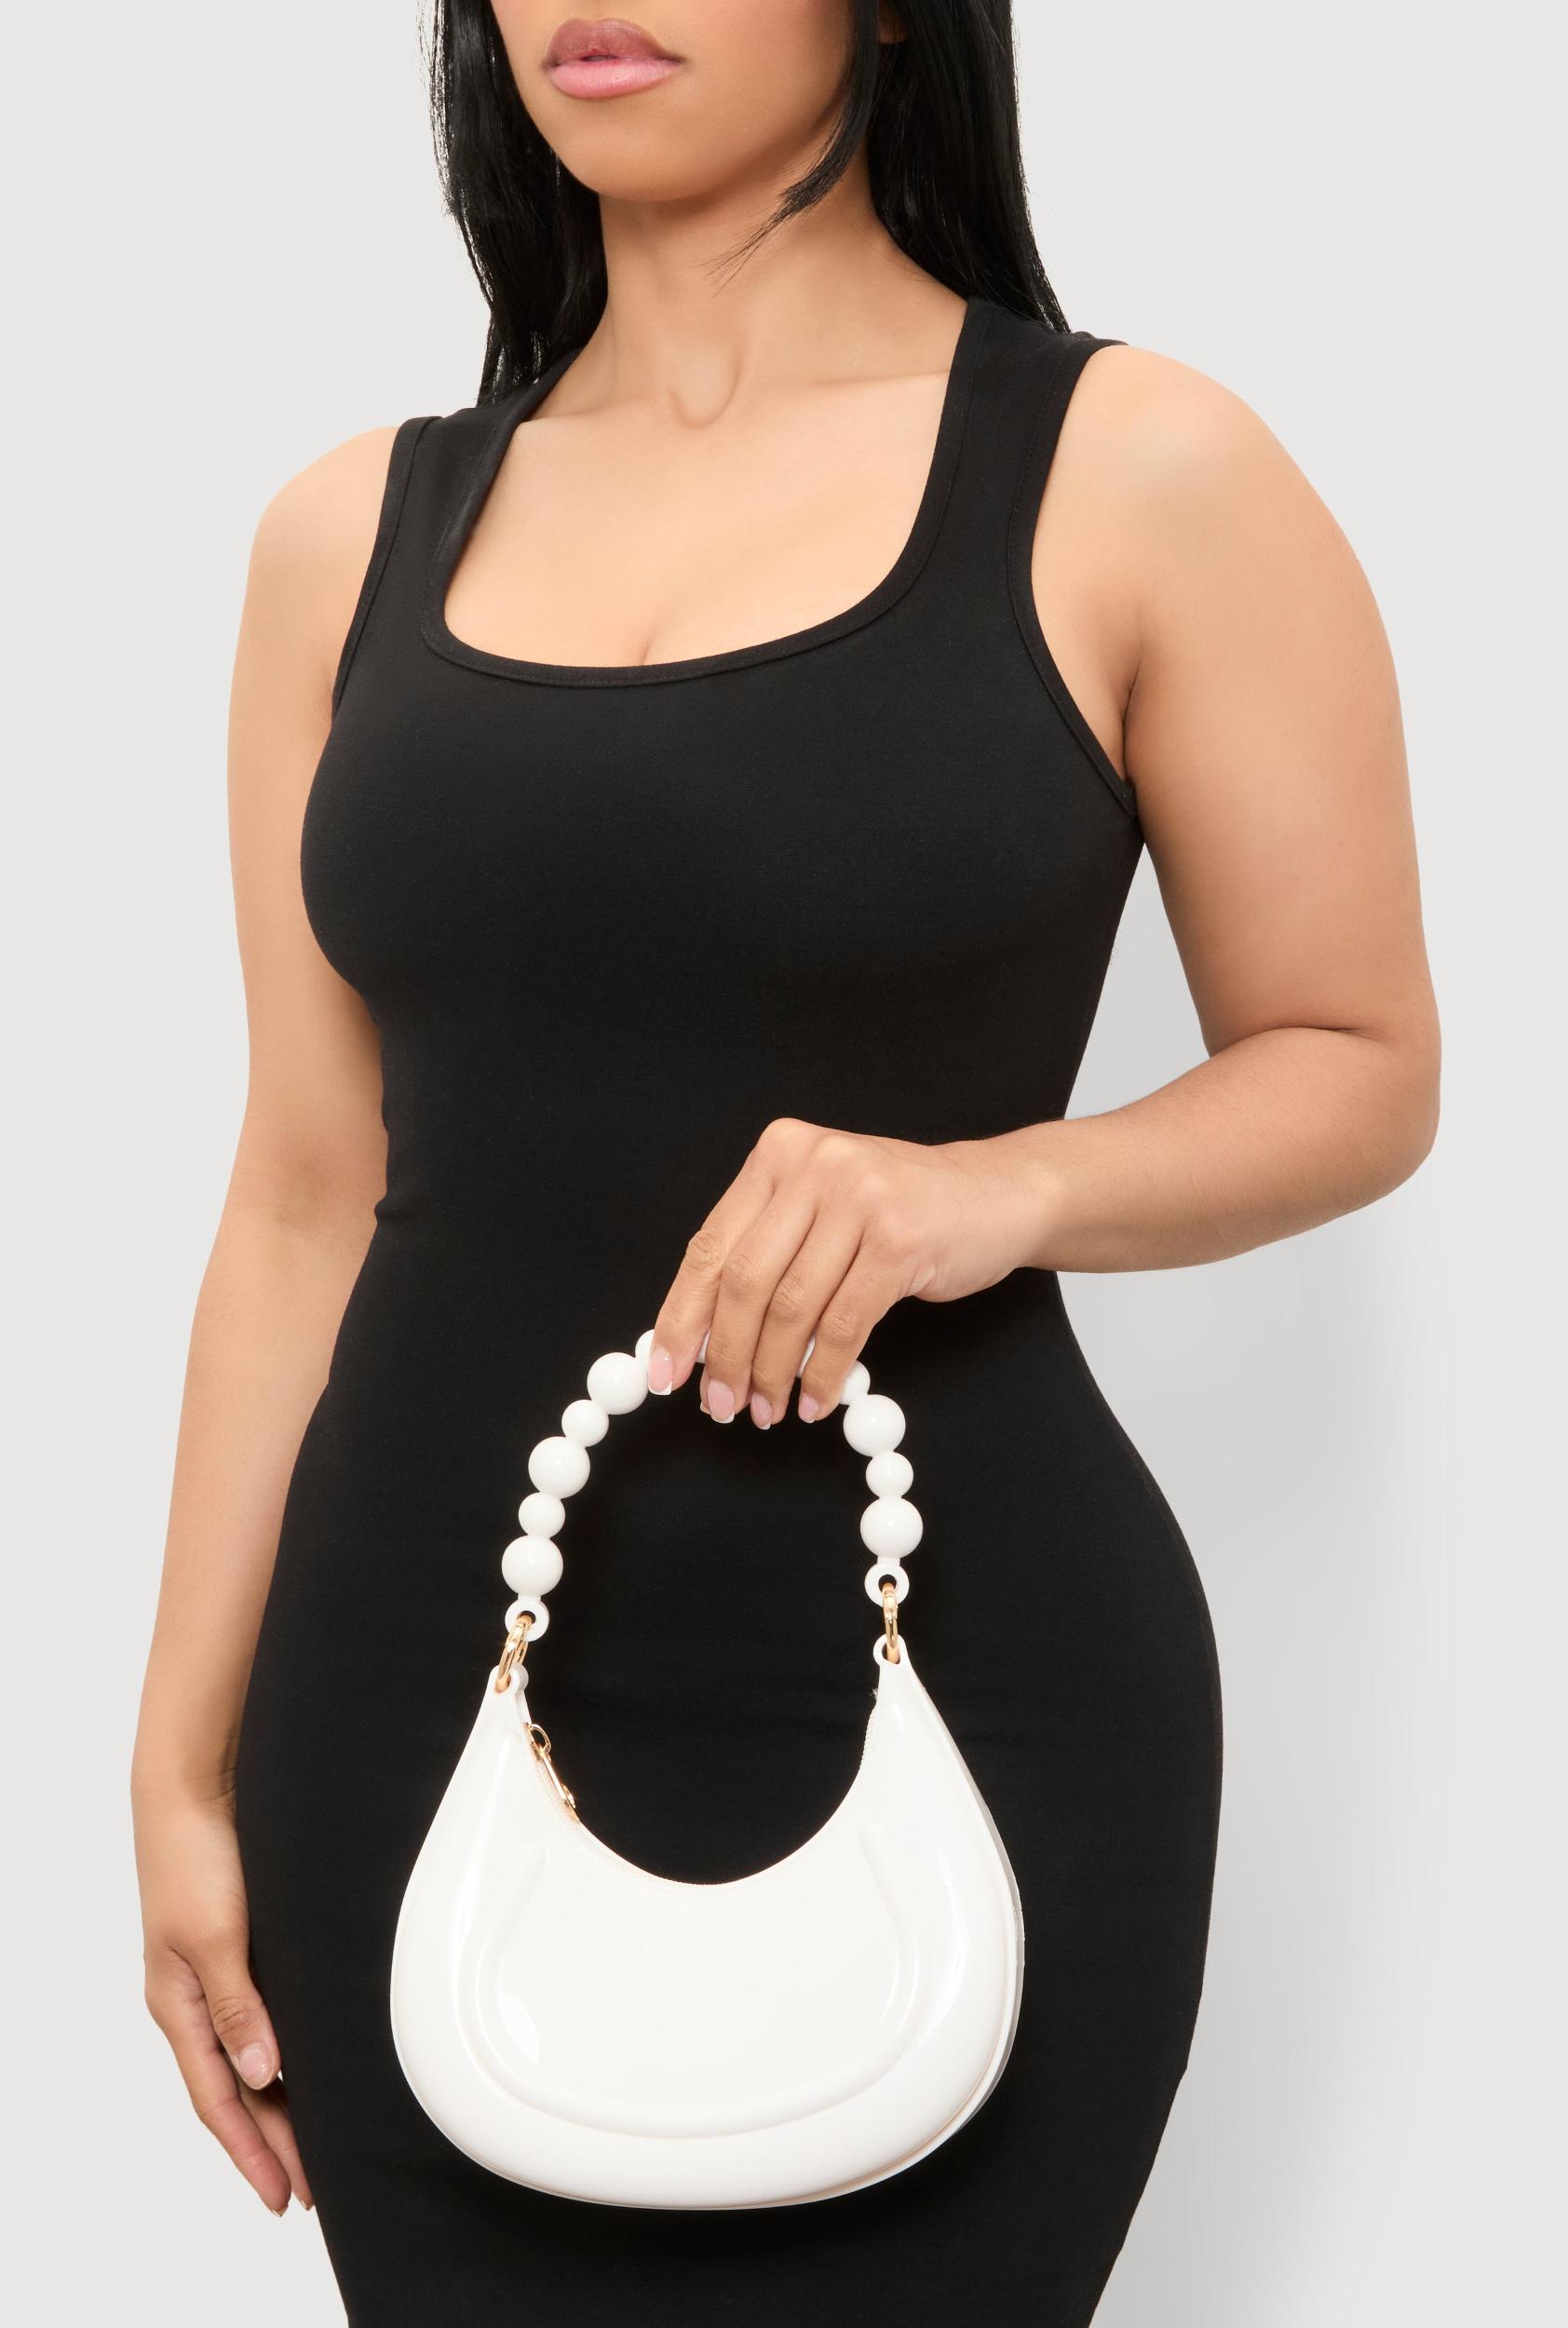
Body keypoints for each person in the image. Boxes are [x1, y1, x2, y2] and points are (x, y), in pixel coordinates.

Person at [131, 4, 1440, 2321]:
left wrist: (989, 1187)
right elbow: (302, 1191)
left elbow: (1353, 1058)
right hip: (406, 1701)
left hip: (972, 1679)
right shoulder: (341, 536)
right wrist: (180, 1758)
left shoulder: (1139, 470)